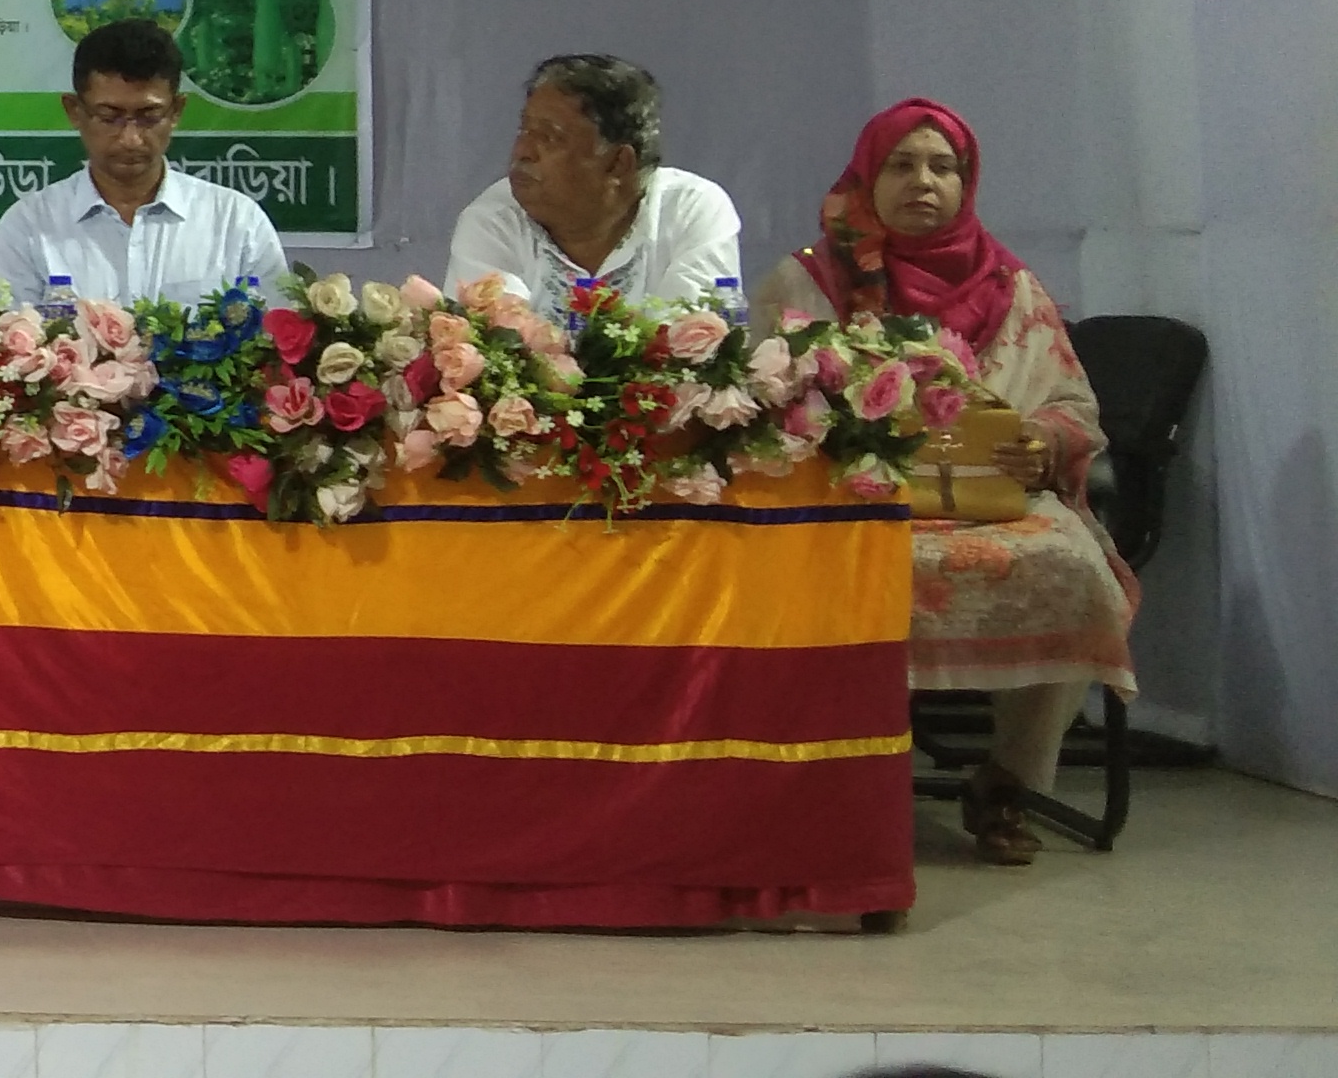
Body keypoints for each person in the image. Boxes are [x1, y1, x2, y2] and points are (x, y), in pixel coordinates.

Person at [755, 100, 1133, 867]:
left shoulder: (1012, 287)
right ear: (867, 177)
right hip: (853, 502)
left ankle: (1009, 782)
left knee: (1071, 568)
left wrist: (1042, 442)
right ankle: (845, 772)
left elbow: (1073, 407)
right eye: (901, 165)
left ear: (968, 183)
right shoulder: (809, 278)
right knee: (821, 571)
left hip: (993, 500)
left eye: (943, 167)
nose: (922, 182)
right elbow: (766, 403)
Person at [0, 18, 285, 306]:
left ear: (176, 111)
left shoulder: (236, 222)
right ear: (74, 111)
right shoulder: (29, 227)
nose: (130, 139)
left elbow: (278, 333)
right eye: (108, 117)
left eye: (148, 117)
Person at [445, 53, 740, 314]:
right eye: (524, 130)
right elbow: (495, 347)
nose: (523, 151)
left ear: (618, 163)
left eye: (549, 136)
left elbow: (691, 340)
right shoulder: (493, 219)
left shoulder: (690, 209)